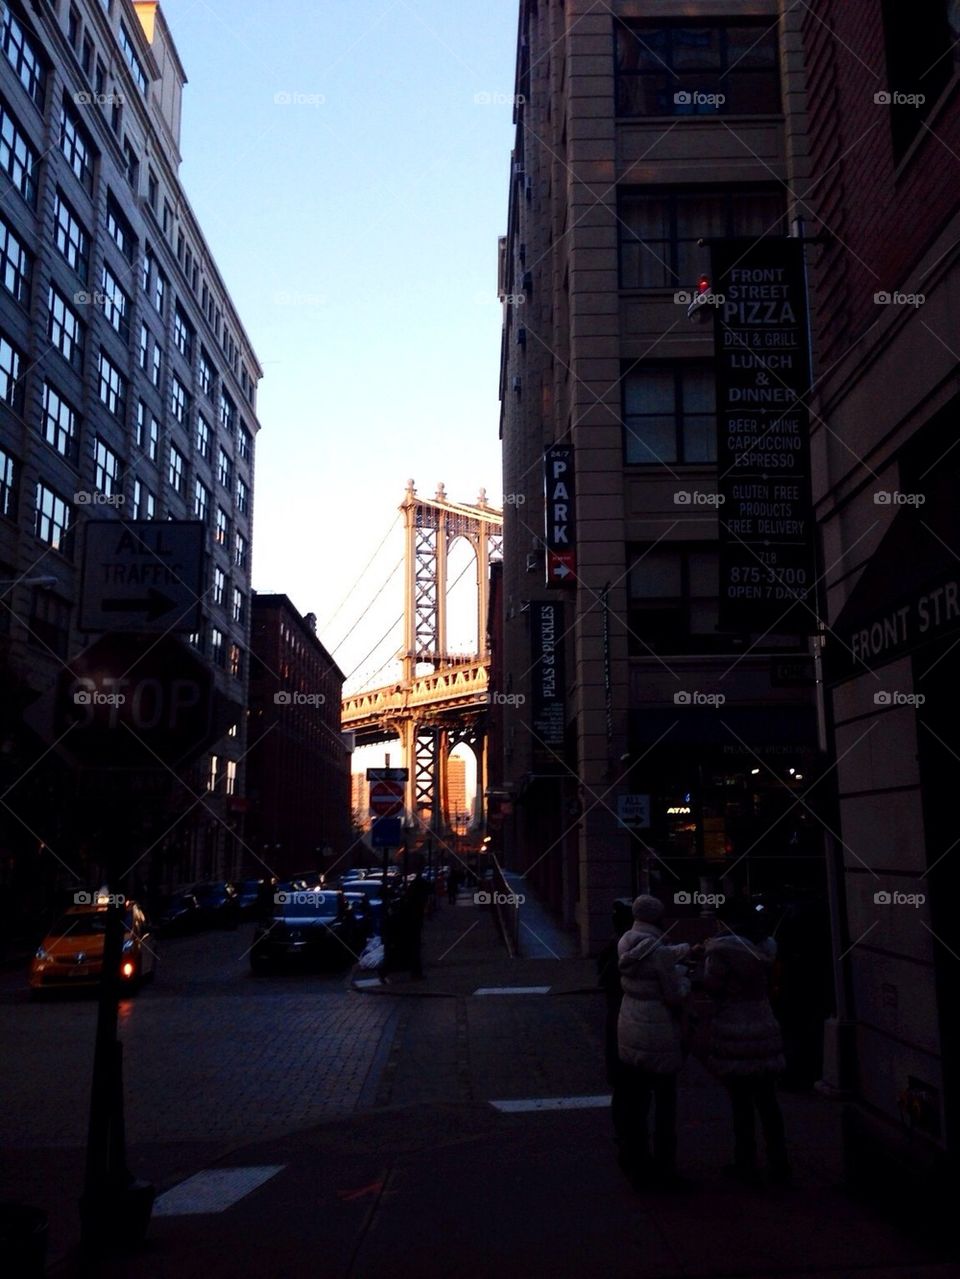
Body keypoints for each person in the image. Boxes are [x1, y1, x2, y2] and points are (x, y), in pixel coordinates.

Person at [703, 897, 791, 1185]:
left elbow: (713, 986)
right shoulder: (765, 946)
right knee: (768, 1101)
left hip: (734, 1027)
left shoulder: (721, 950)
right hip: (763, 1022)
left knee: (740, 1102)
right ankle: (779, 1161)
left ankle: (746, 1160)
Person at [616, 894, 692, 1187]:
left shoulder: (626, 941)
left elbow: (655, 955)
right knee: (665, 1104)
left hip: (630, 1022)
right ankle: (665, 1167)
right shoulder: (658, 951)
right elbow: (673, 994)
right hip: (658, 1029)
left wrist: (682, 951)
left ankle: (635, 1159)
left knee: (637, 1102)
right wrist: (685, 979)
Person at [597, 899, 634, 1158]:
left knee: (623, 1085)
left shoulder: (613, 946)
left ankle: (624, 1135)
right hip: (628, 1022)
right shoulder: (628, 948)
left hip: (618, 1020)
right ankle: (628, 1139)